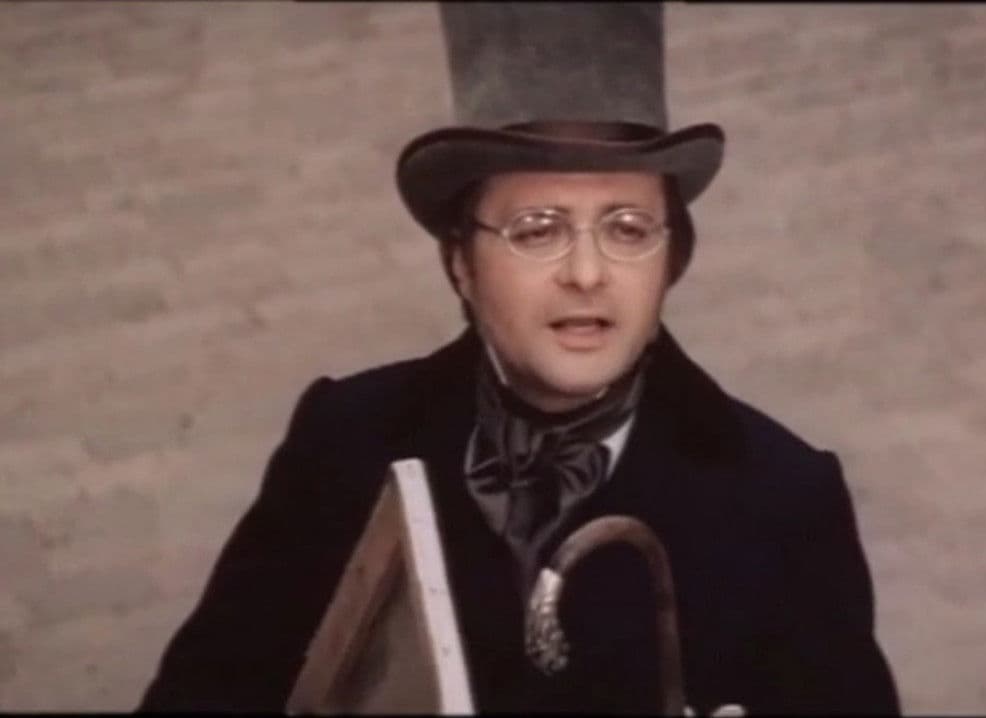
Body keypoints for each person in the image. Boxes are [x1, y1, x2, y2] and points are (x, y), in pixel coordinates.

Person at [138, 4, 900, 714]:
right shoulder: (346, 439)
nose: (587, 274)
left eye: (628, 228)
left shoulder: (781, 500)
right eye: (537, 229)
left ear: (672, 259)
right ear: (461, 264)